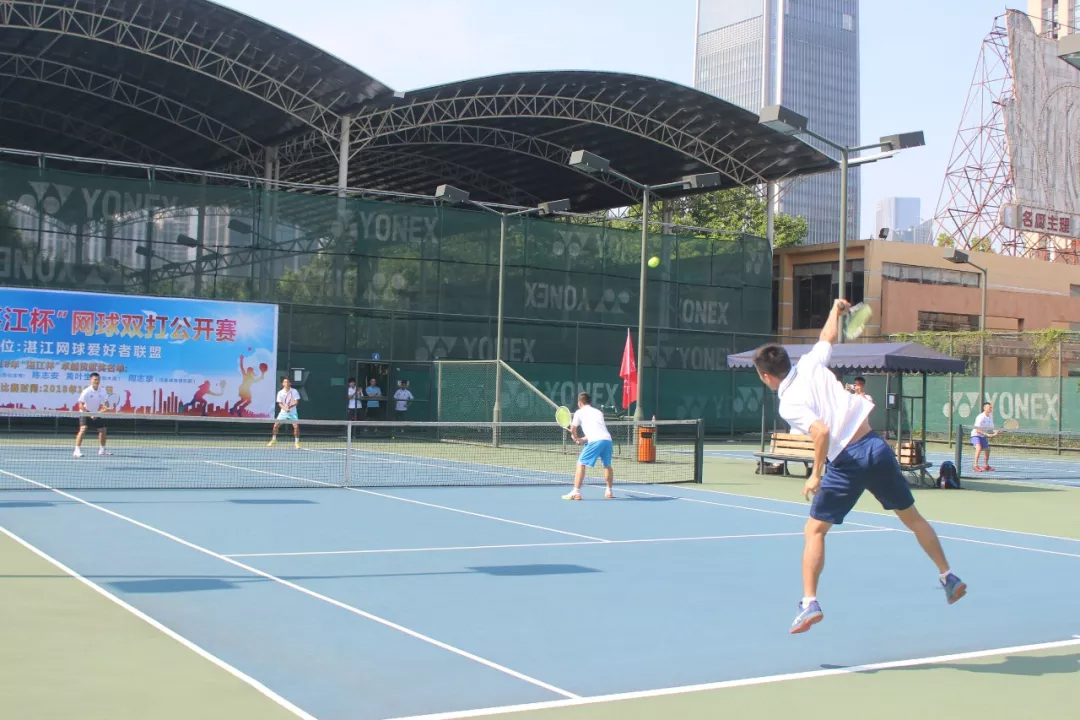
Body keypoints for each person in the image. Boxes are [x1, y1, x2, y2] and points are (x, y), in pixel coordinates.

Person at [751, 298, 966, 634]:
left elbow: (821, 432)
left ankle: (809, 603)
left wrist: (815, 474)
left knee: (814, 531)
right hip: (876, 448)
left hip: (846, 462)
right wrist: (834, 311)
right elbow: (827, 336)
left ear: (766, 376)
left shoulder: (788, 402)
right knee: (912, 518)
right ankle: (948, 575)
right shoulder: (810, 363)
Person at [562, 392, 615, 501]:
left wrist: (575, 437)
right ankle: (609, 491)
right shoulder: (598, 412)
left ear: (579, 403)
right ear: (590, 402)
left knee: (580, 464)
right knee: (607, 465)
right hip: (607, 440)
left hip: (596, 441)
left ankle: (576, 492)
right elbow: (597, 431)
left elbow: (572, 429)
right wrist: (581, 439)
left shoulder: (579, 412)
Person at [74, 372, 112, 458]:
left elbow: (106, 403)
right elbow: (80, 405)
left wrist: (106, 405)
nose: (97, 381)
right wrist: (89, 414)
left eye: (98, 380)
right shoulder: (86, 391)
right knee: (83, 429)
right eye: (95, 380)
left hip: (95, 413)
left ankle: (102, 450)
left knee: (103, 430)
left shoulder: (102, 390)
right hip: (84, 412)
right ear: (90, 380)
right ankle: (76, 450)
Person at [268, 377, 301, 448]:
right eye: (285, 382)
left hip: (293, 413)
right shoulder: (280, 393)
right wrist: (285, 409)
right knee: (275, 426)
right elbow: (280, 403)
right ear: (283, 384)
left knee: (296, 426)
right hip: (283, 413)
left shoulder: (294, 391)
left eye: (288, 382)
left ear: (290, 383)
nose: (286, 383)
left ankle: (297, 442)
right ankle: (273, 439)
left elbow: (296, 402)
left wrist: (290, 406)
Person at [970, 402, 998, 472]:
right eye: (989, 408)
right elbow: (977, 429)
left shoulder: (990, 416)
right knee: (979, 448)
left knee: (987, 449)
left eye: (991, 408)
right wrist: (987, 434)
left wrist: (996, 431)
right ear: (985, 408)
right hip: (975, 435)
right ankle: (975, 465)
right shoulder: (980, 417)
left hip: (982, 436)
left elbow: (992, 427)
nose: (990, 409)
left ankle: (986, 466)